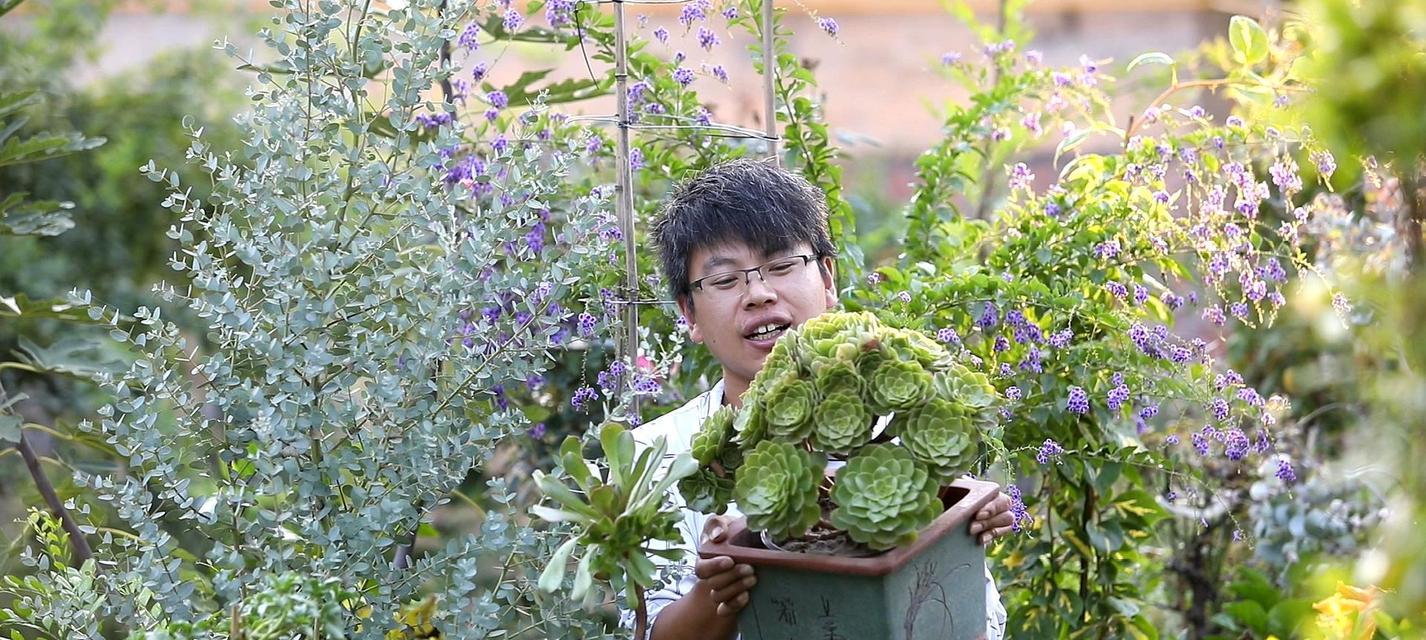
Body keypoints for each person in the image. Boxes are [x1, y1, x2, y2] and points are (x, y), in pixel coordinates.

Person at [625, 158, 1014, 640]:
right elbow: (647, 629)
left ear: (827, 279)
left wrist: (957, 538)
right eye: (726, 280)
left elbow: (981, 622)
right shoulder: (653, 456)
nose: (759, 294)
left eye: (782, 265)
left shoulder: (902, 427)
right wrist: (718, 593)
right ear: (690, 314)